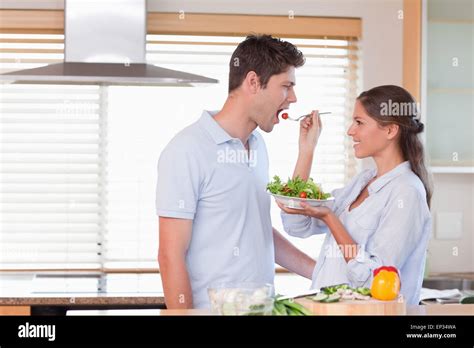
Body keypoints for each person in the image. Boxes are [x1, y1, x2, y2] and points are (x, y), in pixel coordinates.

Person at [156, 35, 317, 309]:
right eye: (286, 86)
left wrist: (324, 273)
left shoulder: (257, 146)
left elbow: (257, 231)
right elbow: (170, 255)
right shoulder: (188, 149)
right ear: (253, 82)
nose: (293, 98)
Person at [278, 85, 432, 305]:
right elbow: (297, 223)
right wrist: (307, 149)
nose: (351, 131)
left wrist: (330, 219)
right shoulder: (361, 182)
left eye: (359, 122)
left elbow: (375, 281)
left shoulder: (406, 192)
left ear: (390, 130)